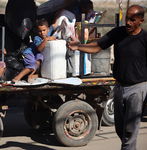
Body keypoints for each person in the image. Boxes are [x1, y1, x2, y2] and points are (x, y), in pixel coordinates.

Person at [68, 5, 147, 150]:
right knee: (120, 129)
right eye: (127, 18)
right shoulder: (118, 32)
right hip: (119, 87)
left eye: (132, 19)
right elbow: (97, 47)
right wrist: (77, 46)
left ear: (141, 21)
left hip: (137, 89)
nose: (128, 22)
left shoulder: (145, 38)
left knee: (130, 132)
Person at [12, 18, 56, 83]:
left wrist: (59, 12)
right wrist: (46, 39)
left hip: (36, 54)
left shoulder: (48, 33)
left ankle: (30, 75)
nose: (42, 33)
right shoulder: (37, 38)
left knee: (40, 57)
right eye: (40, 31)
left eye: (44, 30)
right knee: (32, 64)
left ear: (48, 30)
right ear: (37, 31)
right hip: (29, 53)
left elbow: (54, 25)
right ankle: (17, 77)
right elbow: (39, 49)